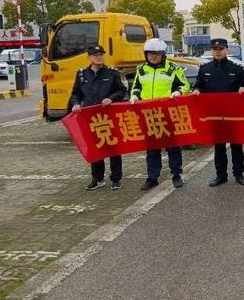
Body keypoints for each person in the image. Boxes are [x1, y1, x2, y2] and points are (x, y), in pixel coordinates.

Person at [130, 38, 190, 190]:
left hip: (168, 113)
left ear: (163, 54)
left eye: (156, 53)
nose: (153, 56)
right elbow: (136, 86)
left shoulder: (173, 68)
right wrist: (135, 95)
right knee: (152, 148)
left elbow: (185, 85)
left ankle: (176, 175)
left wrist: (178, 91)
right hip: (149, 114)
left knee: (173, 147)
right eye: (150, 54)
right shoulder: (141, 69)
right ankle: (152, 177)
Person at [69, 45, 127, 191]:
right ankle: (97, 178)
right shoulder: (82, 74)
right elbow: (76, 93)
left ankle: (116, 178)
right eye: (95, 55)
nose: (99, 57)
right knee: (95, 148)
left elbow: (122, 90)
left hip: (108, 116)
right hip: (91, 118)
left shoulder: (111, 73)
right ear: (88, 57)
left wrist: (111, 98)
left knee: (113, 148)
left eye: (101, 54)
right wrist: (75, 104)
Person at [192, 38, 244, 187]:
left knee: (236, 146)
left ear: (226, 50)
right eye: (215, 49)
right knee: (219, 147)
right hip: (214, 115)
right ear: (212, 51)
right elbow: (198, 86)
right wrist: (197, 90)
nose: (218, 52)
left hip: (233, 115)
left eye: (221, 49)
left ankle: (239, 174)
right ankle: (220, 175)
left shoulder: (236, 69)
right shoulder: (205, 69)